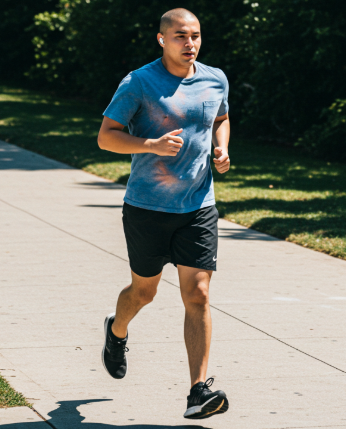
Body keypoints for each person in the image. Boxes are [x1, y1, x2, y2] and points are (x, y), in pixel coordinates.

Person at [96, 7, 231, 420]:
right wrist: (150, 145)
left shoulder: (215, 78)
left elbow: (221, 117)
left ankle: (197, 392)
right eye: (180, 36)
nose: (190, 43)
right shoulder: (139, 82)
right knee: (144, 293)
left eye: (195, 36)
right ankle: (116, 330)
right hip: (147, 208)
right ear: (161, 39)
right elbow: (106, 137)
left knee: (198, 294)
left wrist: (222, 147)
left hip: (197, 206)